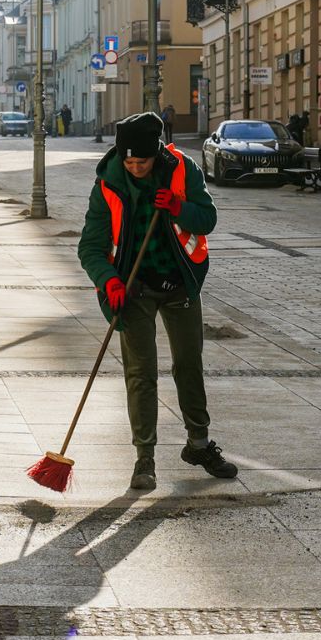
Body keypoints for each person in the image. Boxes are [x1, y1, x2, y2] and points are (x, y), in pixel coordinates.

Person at [78, 111, 236, 491]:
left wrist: (180, 208)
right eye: (129, 161)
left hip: (179, 283)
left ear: (156, 153)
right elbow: (91, 247)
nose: (134, 168)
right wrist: (108, 280)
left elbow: (208, 219)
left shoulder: (183, 169)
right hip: (132, 289)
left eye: (142, 162)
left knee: (188, 364)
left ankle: (199, 444)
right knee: (141, 373)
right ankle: (144, 458)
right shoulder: (108, 184)